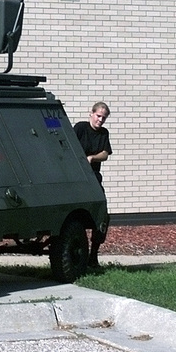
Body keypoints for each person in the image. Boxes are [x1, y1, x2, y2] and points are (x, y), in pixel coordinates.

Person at [73, 101, 112, 267]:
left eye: (103, 118)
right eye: (98, 116)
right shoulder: (81, 128)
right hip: (77, 178)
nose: (100, 120)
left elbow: (105, 153)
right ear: (91, 113)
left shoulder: (103, 133)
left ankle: (93, 255)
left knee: (101, 215)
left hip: (94, 177)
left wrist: (93, 158)